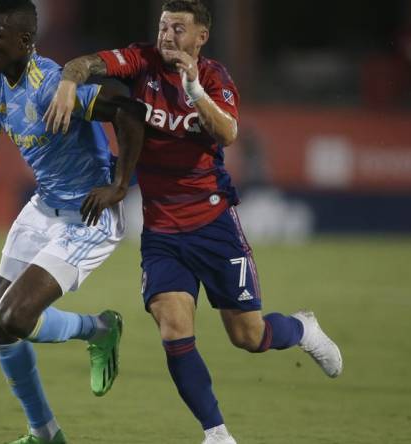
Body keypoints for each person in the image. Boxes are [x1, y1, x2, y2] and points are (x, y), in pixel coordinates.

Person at [44, 1, 343, 443]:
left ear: (201, 37)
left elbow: (227, 134)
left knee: (249, 335)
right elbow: (84, 63)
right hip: (162, 230)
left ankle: (302, 328)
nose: (167, 35)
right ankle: (216, 433)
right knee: (173, 327)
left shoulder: (216, 78)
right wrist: (69, 82)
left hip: (213, 223)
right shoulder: (140, 61)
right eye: (163, 26)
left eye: (178, 28)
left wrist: (194, 90)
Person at [0, 1, 145, 442]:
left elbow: (128, 110)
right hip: (42, 208)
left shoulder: (51, 85)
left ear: (26, 41)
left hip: (88, 217)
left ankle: (99, 328)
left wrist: (120, 185)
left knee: (13, 316)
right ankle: (44, 433)